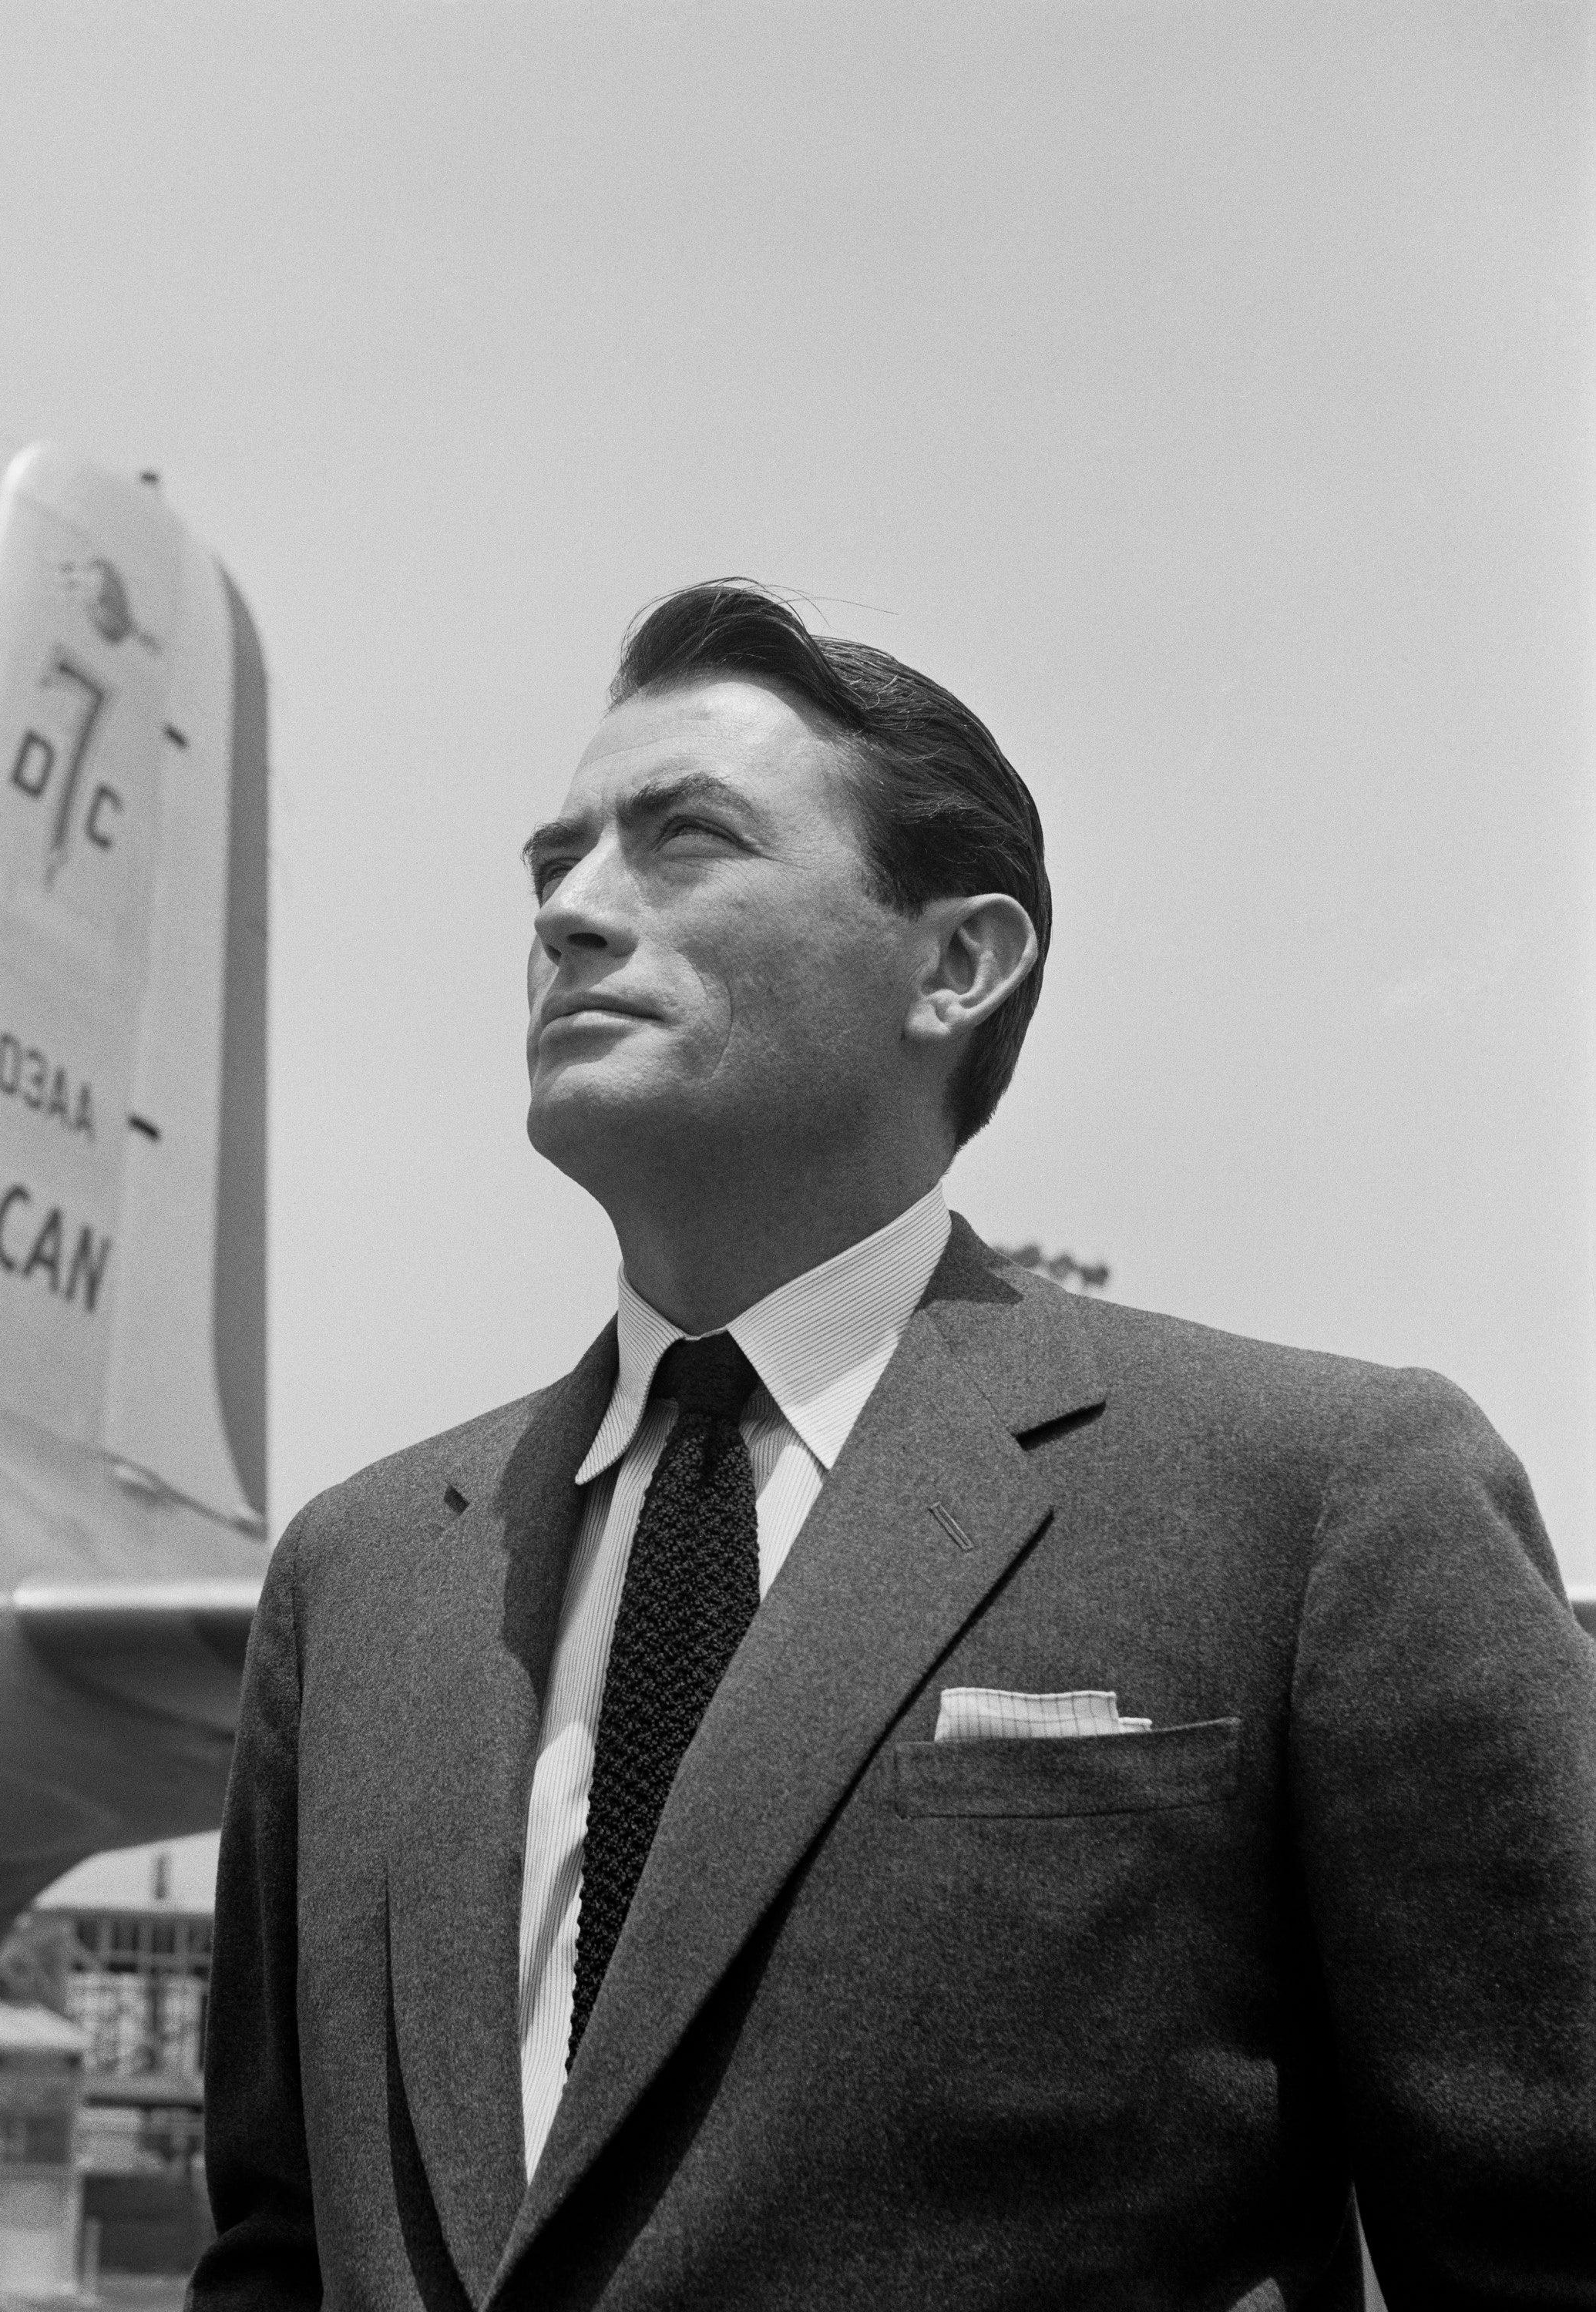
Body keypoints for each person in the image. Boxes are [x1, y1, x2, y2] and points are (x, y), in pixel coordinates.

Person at [189, 584, 1596, 2310]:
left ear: (956, 962)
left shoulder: (1317, 1497)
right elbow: (271, 2244)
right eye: (551, 864)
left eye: (682, 841)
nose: (568, 910)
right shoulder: (363, 1572)